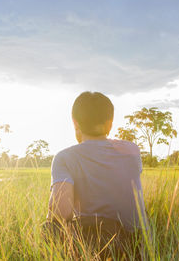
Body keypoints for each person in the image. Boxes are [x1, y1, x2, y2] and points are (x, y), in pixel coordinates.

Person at [45, 91, 146, 259]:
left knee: (50, 227)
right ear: (110, 124)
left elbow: (61, 213)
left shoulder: (65, 157)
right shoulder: (132, 150)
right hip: (135, 246)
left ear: (75, 122)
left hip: (93, 244)